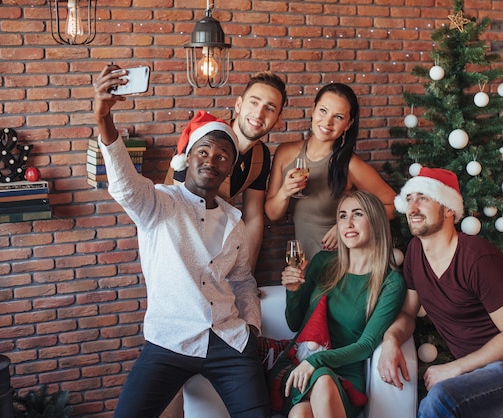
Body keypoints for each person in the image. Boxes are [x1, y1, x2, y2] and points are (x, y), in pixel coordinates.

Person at [93, 64, 270, 418]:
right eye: (203, 152)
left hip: (229, 341)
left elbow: (242, 281)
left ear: (230, 168)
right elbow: (124, 182)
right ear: (187, 158)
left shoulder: (235, 223)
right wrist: (104, 119)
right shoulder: (159, 202)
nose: (212, 161)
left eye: (222, 157)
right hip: (169, 341)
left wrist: (251, 326)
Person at [378, 167, 503, 417]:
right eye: (409, 198)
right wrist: (390, 340)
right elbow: (408, 313)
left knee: (441, 399)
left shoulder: (478, 259)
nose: (413, 208)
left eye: (424, 198)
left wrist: (455, 369)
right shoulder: (415, 253)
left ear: (449, 209)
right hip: (479, 377)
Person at [268, 190, 406, 418]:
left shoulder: (390, 282)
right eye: (342, 216)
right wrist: (293, 292)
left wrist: (317, 360)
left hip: (342, 377)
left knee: (304, 409)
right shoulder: (323, 262)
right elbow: (295, 325)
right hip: (298, 366)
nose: (348, 223)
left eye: (357, 214)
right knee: (300, 413)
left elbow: (367, 344)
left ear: (376, 221)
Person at [167, 71, 287, 272]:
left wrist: (246, 277)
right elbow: (183, 209)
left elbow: (254, 218)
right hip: (178, 247)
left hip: (219, 247)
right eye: (254, 103)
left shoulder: (261, 155)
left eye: (270, 108)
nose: (259, 114)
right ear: (239, 105)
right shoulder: (205, 138)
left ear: (278, 119)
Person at [264, 83, 397, 260]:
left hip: (340, 265)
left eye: (338, 117)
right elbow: (273, 215)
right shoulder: (285, 152)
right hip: (303, 267)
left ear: (348, 124)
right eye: (323, 111)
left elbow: (395, 206)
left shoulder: (350, 165)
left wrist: (346, 225)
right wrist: (284, 192)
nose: (327, 122)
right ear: (313, 109)